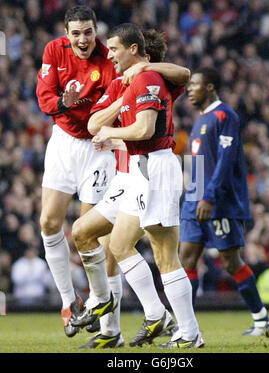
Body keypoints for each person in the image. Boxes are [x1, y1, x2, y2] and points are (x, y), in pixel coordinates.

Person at [71, 29, 190, 349]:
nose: (108, 55)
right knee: (94, 236)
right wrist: (121, 102)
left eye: (113, 49)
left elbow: (182, 77)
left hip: (152, 167)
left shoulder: (152, 79)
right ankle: (146, 313)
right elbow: (94, 124)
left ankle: (184, 330)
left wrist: (144, 71)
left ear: (137, 53)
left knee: (165, 253)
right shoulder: (120, 83)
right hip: (132, 173)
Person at [36, 6, 117, 337]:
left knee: (87, 234)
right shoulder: (54, 50)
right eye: (76, 33)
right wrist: (64, 104)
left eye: (88, 32)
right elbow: (44, 98)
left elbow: (114, 102)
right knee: (48, 222)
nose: (83, 39)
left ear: (96, 30)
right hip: (64, 141)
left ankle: (100, 305)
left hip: (98, 149)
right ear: (67, 34)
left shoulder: (108, 58)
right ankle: (70, 302)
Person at [179, 67, 269, 336]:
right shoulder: (200, 120)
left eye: (195, 84)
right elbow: (199, 162)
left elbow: (226, 158)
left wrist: (209, 196)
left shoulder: (226, 115)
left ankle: (261, 318)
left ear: (210, 87)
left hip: (218, 202)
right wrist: (191, 192)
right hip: (194, 199)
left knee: (231, 261)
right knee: (185, 257)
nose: (189, 89)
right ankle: (187, 327)